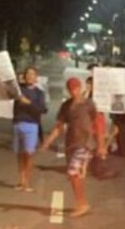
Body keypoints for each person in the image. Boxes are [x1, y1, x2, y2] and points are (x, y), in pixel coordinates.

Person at [41, 77, 104, 218]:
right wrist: (47, 141)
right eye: (70, 89)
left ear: (80, 88)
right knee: (75, 176)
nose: (73, 92)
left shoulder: (89, 104)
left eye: (75, 88)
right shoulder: (66, 106)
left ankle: (82, 204)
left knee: (72, 172)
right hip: (71, 144)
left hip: (85, 143)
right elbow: (59, 126)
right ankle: (81, 202)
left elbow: (98, 124)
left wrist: (101, 145)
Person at [12, 67, 48, 192]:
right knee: (19, 155)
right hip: (17, 124)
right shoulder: (19, 90)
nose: (30, 76)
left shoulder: (39, 93)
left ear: (36, 77)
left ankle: (27, 182)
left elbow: (43, 110)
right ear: (24, 76)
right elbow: (5, 85)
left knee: (28, 154)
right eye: (28, 74)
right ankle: (21, 181)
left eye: (33, 74)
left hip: (32, 125)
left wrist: (28, 103)